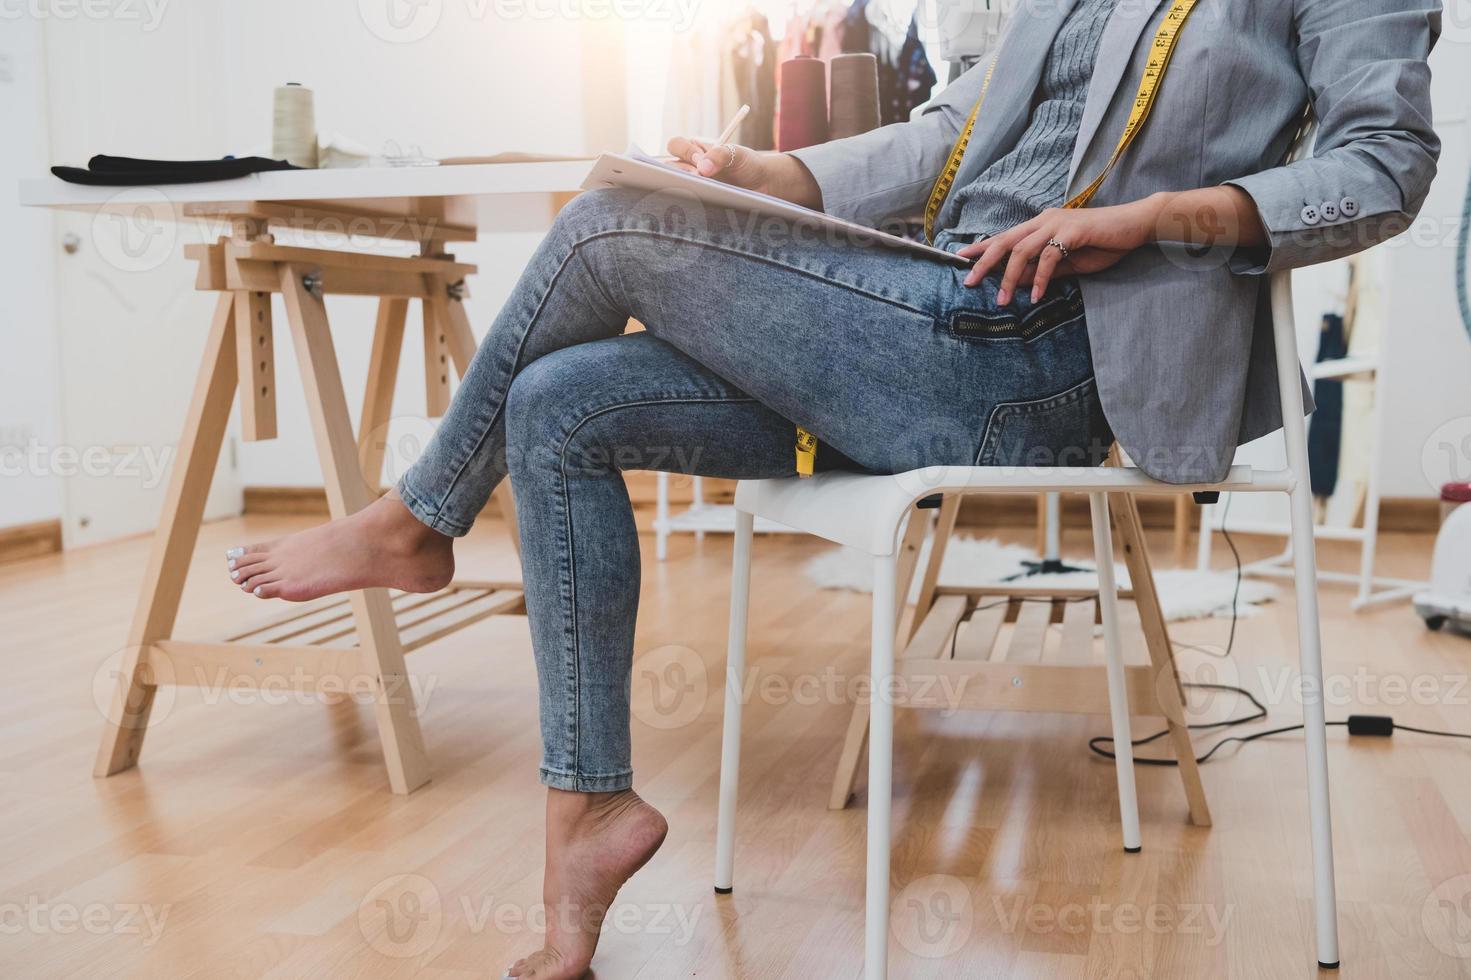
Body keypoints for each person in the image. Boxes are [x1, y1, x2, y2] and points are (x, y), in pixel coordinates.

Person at [221, 1, 1441, 976]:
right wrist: (773, 168)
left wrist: (1154, 217)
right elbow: (951, 134)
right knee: (558, 405)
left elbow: (1381, 168)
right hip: (917, 315)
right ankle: (588, 809)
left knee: (604, 225)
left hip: (1033, 355)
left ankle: (416, 516)